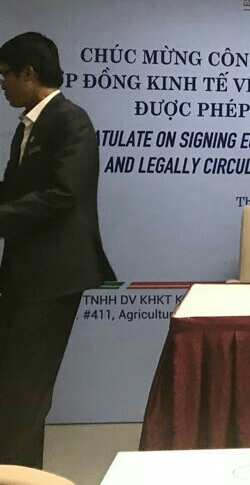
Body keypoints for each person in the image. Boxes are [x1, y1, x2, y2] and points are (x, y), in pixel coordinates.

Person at [0, 32, 115, 468]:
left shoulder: (70, 120)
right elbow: (15, 189)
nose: (3, 85)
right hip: (23, 274)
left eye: (5, 75)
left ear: (28, 73)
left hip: (53, 276)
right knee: (12, 385)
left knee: (26, 390)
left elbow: (64, 194)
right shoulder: (28, 124)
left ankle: (19, 475)